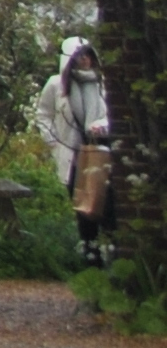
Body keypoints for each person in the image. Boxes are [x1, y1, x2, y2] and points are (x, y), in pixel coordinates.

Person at [38, 37, 116, 264]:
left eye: (88, 55)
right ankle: (90, 257)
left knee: (108, 204)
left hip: (101, 151)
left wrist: (103, 125)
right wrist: (53, 141)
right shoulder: (56, 85)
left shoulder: (103, 83)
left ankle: (111, 253)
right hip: (74, 154)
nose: (85, 61)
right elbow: (43, 115)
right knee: (83, 206)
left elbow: (112, 113)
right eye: (80, 56)